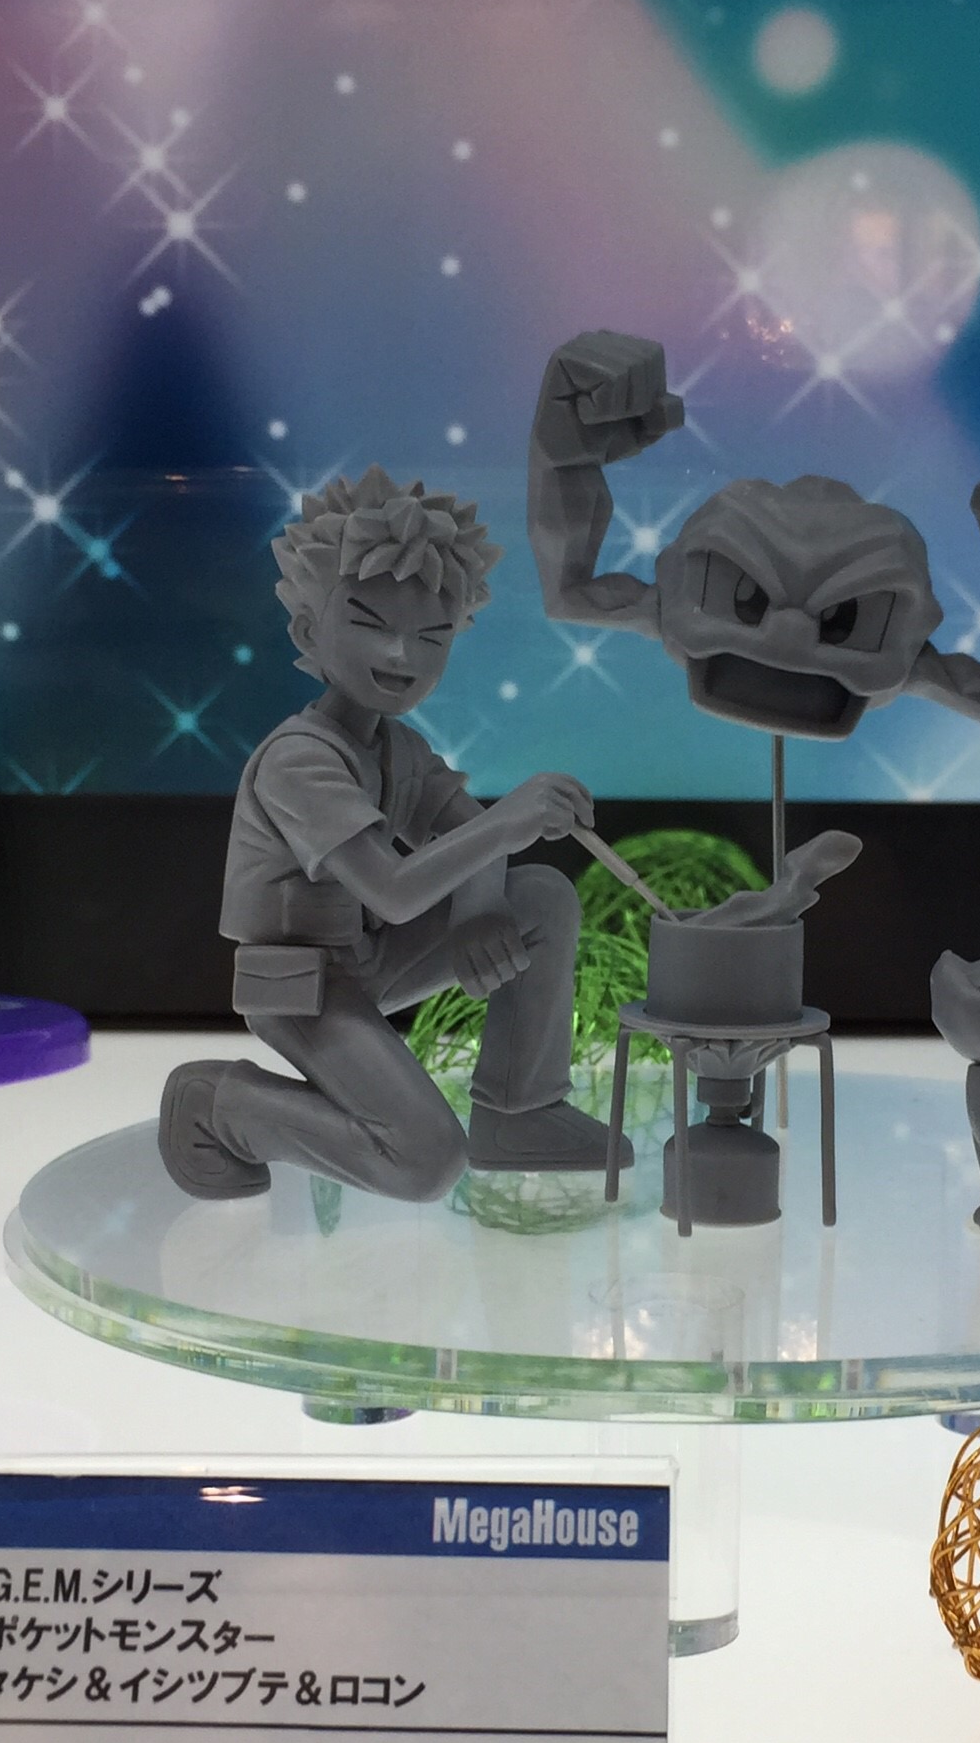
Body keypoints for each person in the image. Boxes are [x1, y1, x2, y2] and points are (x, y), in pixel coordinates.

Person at [159, 466, 629, 1202]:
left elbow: (465, 829)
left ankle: (520, 1110)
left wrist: (481, 910)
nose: (401, 657)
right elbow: (392, 889)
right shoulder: (299, 760)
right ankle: (222, 1105)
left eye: (431, 637)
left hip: (369, 960)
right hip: (300, 988)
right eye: (371, 626)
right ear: (309, 631)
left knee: (538, 895)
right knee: (425, 1162)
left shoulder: (394, 747)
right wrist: (511, 821)